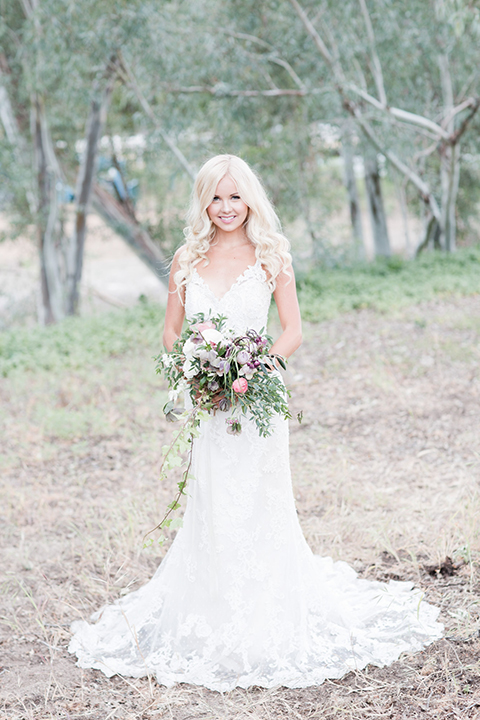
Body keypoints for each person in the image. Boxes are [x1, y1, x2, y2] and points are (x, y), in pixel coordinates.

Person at [69, 154, 442, 691]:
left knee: (260, 497)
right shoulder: (185, 258)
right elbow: (170, 332)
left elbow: (292, 329)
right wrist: (196, 368)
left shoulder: (271, 255)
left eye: (235, 197)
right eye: (215, 198)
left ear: (251, 200)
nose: (226, 208)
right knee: (214, 497)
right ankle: (214, 606)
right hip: (210, 403)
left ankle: (267, 609)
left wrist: (254, 367)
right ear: (203, 202)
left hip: (258, 399)